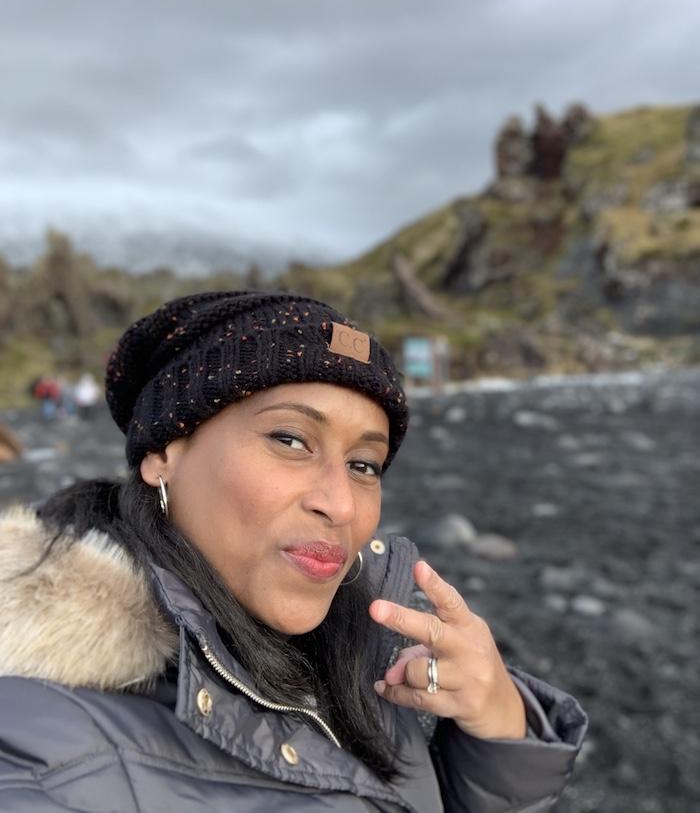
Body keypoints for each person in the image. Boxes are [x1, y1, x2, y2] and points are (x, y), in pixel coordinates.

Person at [0, 291, 587, 812]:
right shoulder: (44, 757)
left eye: (363, 465)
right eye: (290, 439)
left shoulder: (374, 653)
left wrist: (499, 731)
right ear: (164, 453)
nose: (342, 504)